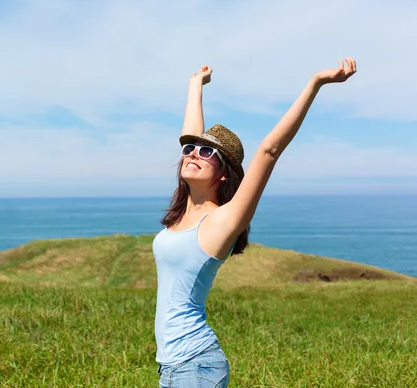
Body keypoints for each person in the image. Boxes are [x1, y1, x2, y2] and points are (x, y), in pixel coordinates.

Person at [153, 58, 357, 387]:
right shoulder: (184, 212)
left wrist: (316, 82)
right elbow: (189, 136)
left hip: (195, 365)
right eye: (190, 149)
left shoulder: (222, 220)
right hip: (175, 366)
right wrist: (195, 87)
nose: (192, 153)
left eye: (207, 153)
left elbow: (269, 150)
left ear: (222, 175)